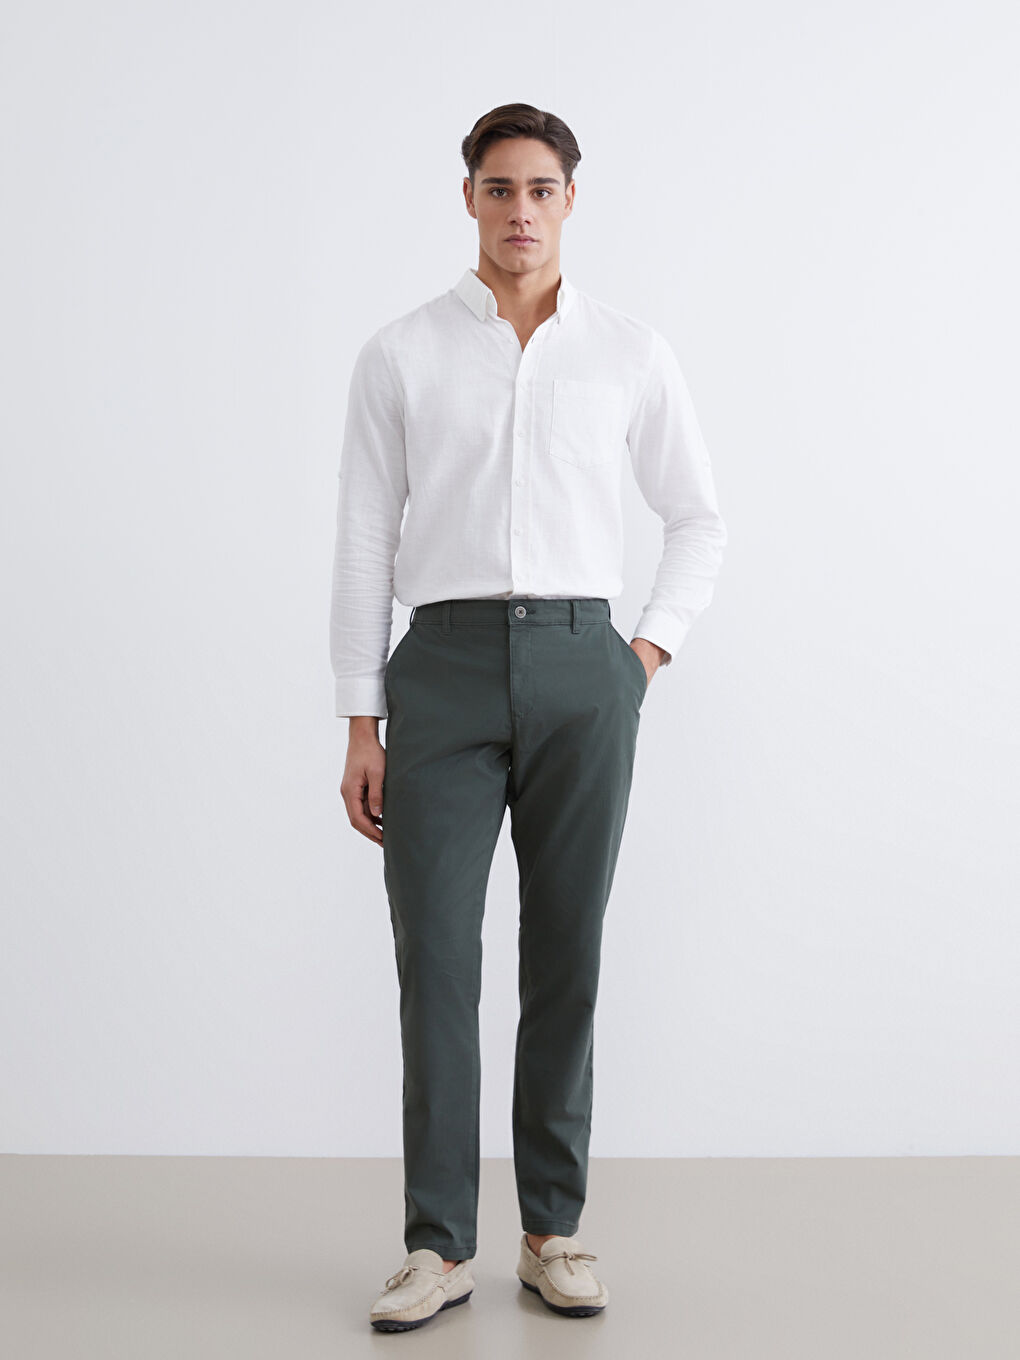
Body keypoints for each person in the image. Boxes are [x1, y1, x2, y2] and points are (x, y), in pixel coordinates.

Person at [330, 102, 727, 1332]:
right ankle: (437, 1244)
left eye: (541, 189)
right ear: (468, 198)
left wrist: (640, 656)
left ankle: (552, 1231)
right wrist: (360, 718)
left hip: (581, 665)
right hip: (442, 668)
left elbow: (698, 516)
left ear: (570, 200)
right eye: (499, 188)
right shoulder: (402, 353)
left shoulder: (627, 351)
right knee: (436, 961)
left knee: (566, 954)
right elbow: (363, 539)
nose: (520, 210)